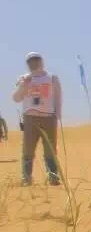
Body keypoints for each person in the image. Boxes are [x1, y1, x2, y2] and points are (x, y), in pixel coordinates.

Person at [11, 52, 62, 186]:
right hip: (30, 118)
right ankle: (26, 178)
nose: (33, 63)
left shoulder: (52, 78)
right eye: (30, 61)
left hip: (48, 117)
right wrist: (24, 85)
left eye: (36, 60)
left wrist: (57, 114)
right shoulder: (24, 79)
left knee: (50, 149)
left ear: (41, 61)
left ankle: (53, 177)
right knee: (28, 149)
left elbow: (58, 96)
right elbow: (16, 98)